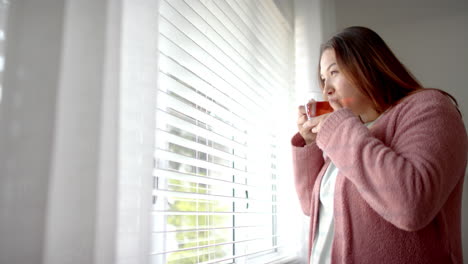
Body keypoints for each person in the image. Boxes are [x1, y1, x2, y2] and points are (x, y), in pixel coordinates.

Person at [292, 26, 467, 264]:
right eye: (323, 79)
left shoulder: (430, 108)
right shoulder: (353, 133)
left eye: (334, 73)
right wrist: (311, 143)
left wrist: (339, 129)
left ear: (369, 66)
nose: (326, 89)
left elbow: (411, 206)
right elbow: (311, 208)